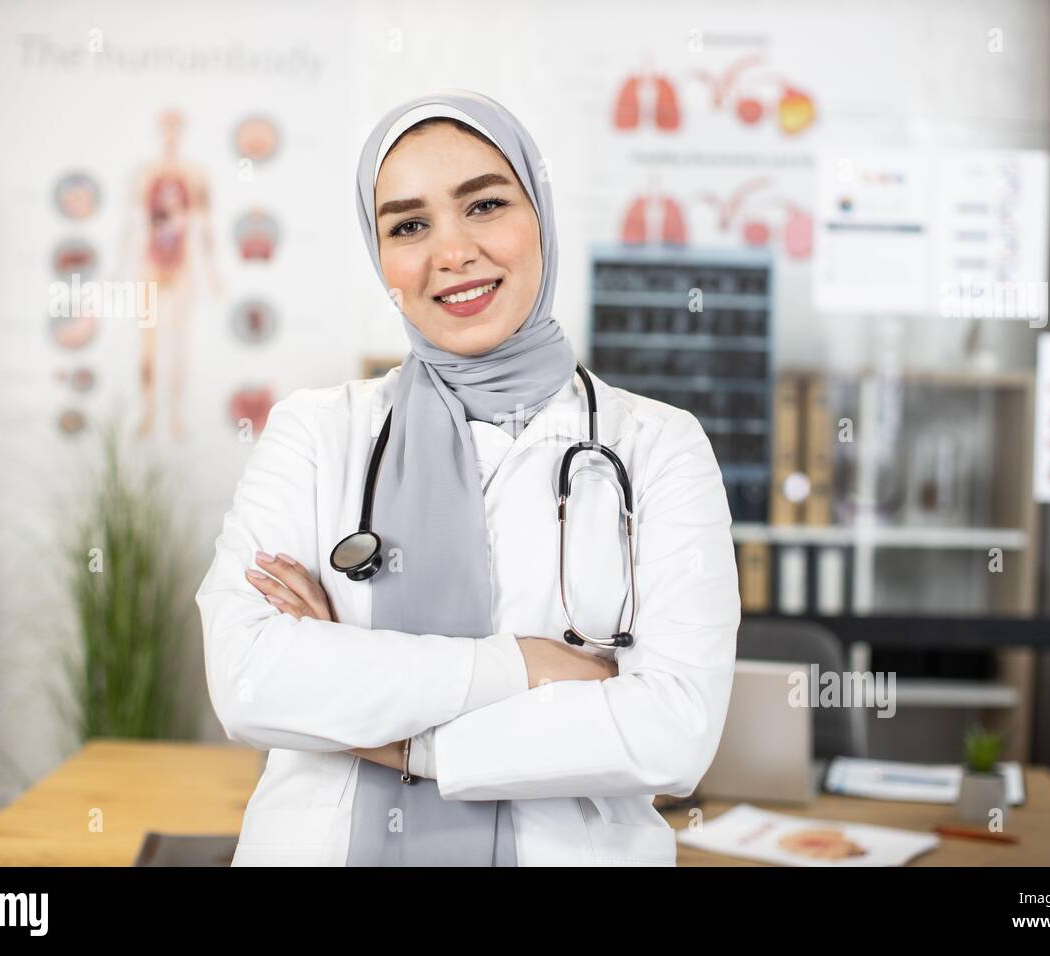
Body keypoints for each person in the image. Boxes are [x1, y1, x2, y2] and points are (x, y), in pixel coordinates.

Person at [196, 89, 741, 866]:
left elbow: (672, 733)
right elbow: (250, 679)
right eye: (409, 225)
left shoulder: (657, 446)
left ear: (540, 214)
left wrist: (401, 735)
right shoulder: (315, 432)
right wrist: (524, 664)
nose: (451, 252)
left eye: (483, 205)